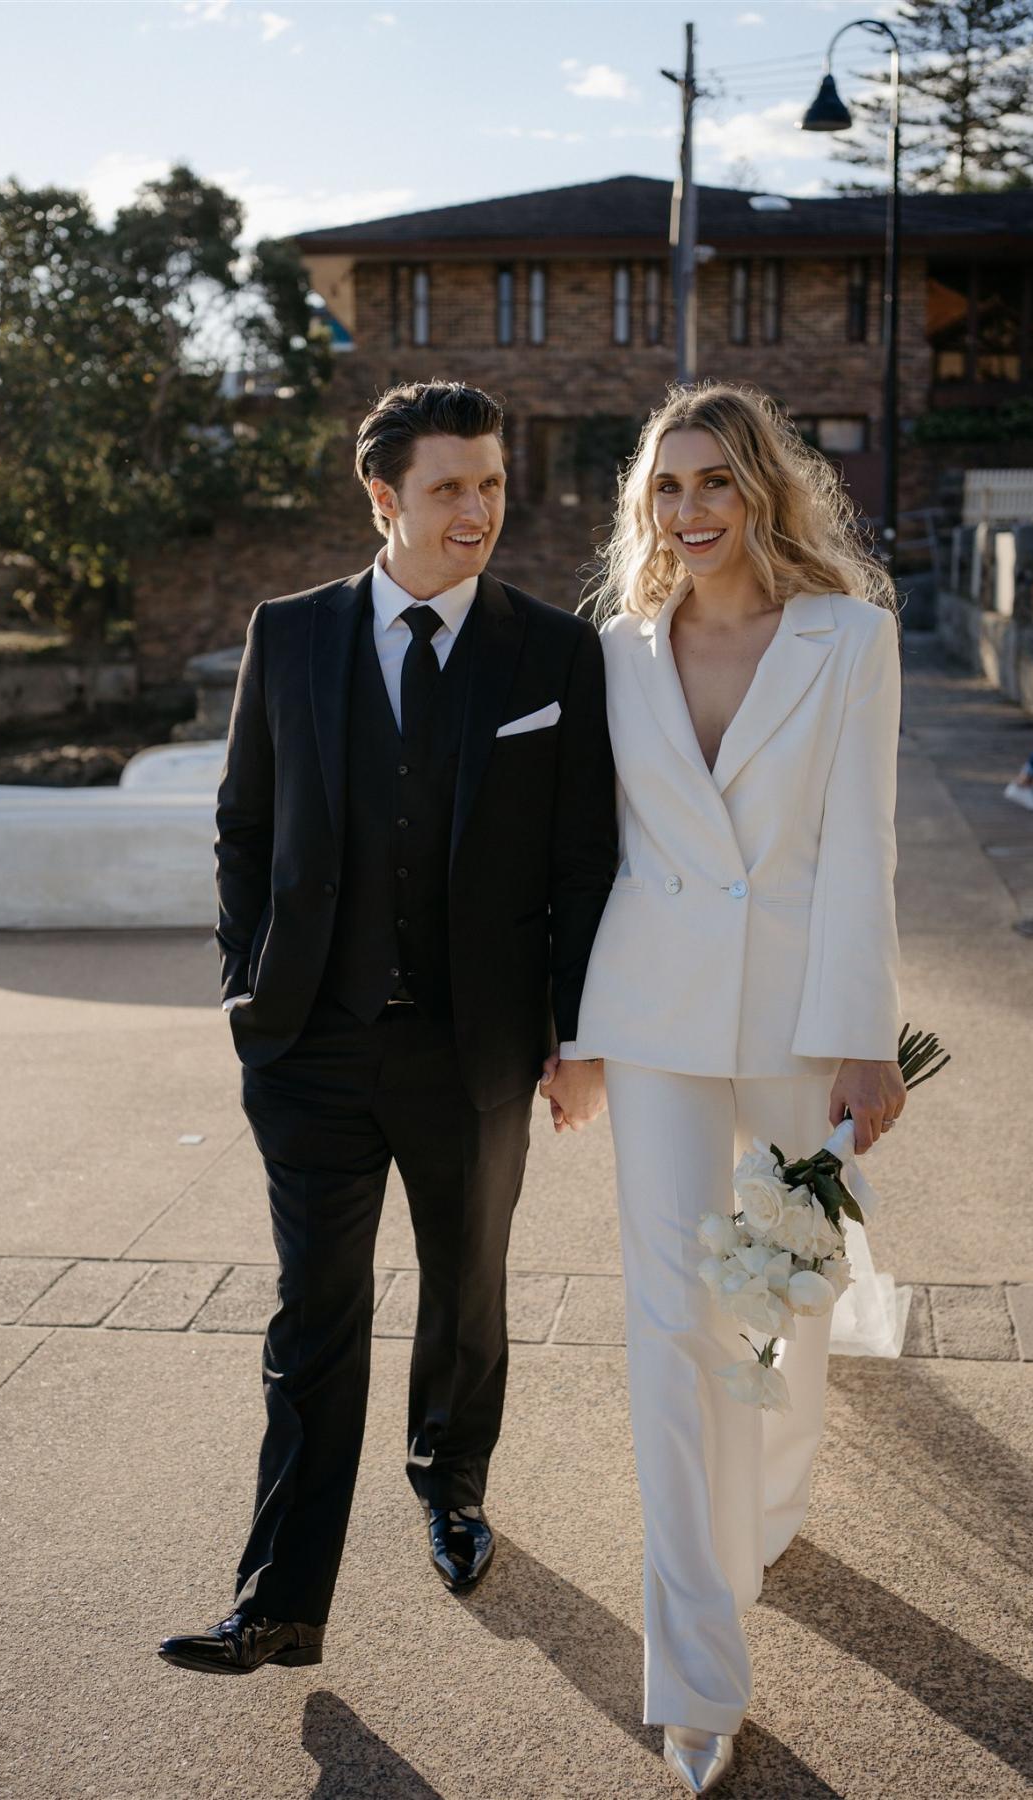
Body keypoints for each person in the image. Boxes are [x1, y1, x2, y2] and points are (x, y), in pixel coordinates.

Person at [158, 380, 616, 1677]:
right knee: (316, 1314)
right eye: (449, 488)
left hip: (473, 1053)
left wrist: (573, 1037)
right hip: (309, 1048)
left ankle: (451, 1485)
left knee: (466, 1294)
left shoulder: (552, 653)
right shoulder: (290, 633)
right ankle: (281, 1600)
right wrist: (250, 988)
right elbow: (243, 824)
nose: (478, 512)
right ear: (383, 498)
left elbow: (585, 860)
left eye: (490, 484)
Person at [561, 382, 907, 1794]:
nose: (690, 513)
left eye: (716, 484)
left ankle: (764, 1508)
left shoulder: (849, 639)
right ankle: (695, 1670)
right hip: (648, 1018)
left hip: (792, 1026)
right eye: (668, 488)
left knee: (778, 1302)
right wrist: (570, 1033)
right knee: (667, 1321)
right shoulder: (615, 655)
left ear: (766, 493)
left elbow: (861, 849)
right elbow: (589, 852)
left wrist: (865, 1039)